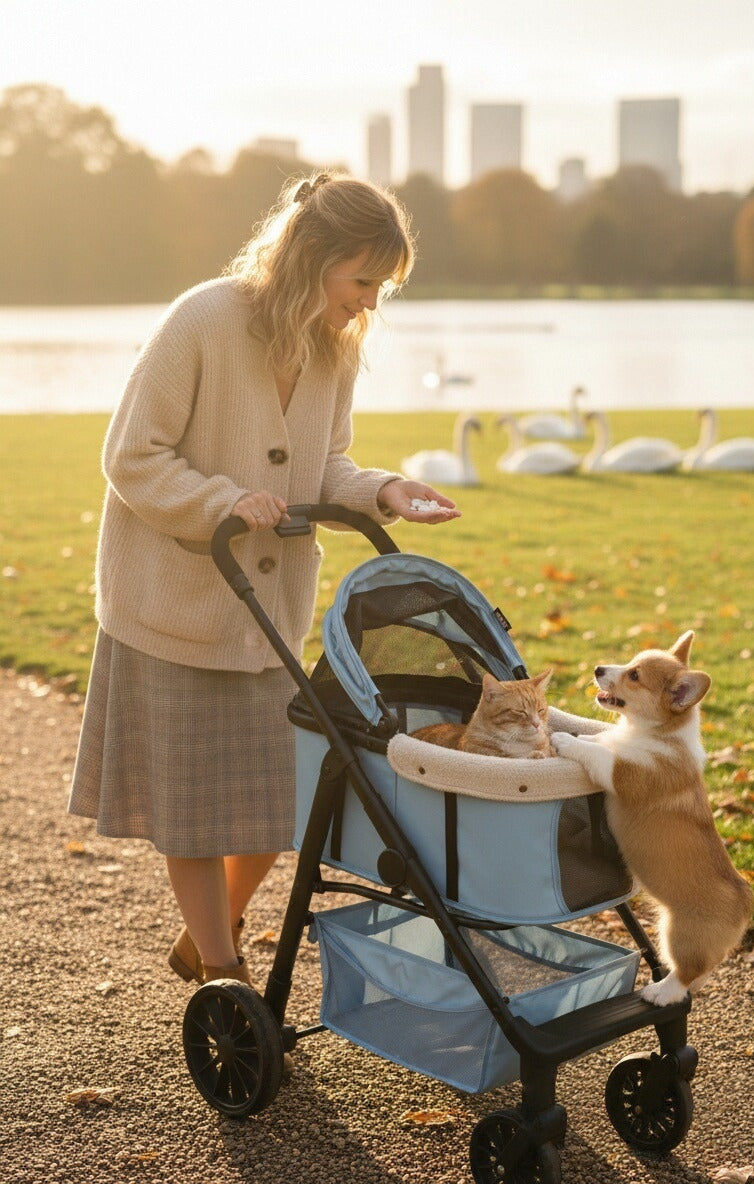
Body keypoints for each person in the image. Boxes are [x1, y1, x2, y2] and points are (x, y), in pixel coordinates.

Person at [68, 172, 460, 988]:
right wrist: (220, 501)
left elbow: (328, 466)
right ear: (312, 258)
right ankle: (222, 969)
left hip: (266, 616)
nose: (369, 305)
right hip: (173, 607)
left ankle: (209, 937)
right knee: (194, 814)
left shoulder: (333, 351)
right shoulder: (203, 319)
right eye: (362, 281)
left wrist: (384, 490)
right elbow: (131, 456)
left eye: (382, 288)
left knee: (280, 810)